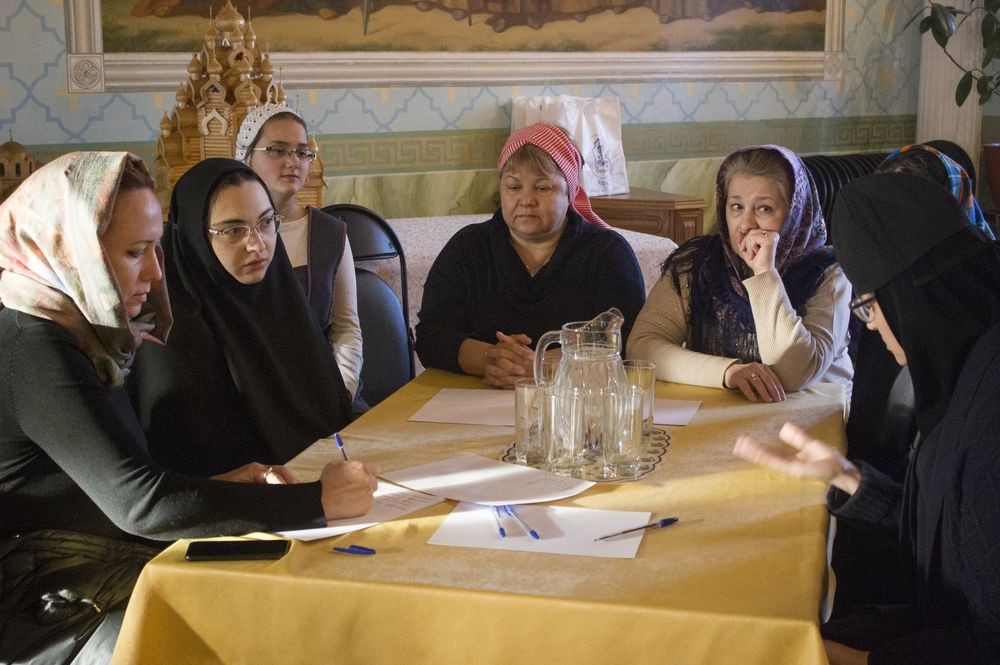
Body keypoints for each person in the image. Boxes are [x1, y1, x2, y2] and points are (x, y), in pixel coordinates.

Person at [0, 152, 377, 663]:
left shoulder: (81, 331)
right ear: (69, 251)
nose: (156, 273)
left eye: (156, 249)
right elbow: (140, 504)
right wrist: (317, 501)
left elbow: (113, 482)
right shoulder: (35, 344)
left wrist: (218, 484)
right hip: (43, 594)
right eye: (134, 252)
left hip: (93, 554)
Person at [734, 173, 1000, 664]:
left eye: (871, 306)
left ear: (912, 298)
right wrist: (850, 478)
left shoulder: (988, 422)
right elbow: (952, 536)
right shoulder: (964, 376)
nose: (872, 326)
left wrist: (852, 661)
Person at [128, 158, 355, 477]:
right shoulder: (170, 333)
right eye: (233, 230)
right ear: (195, 235)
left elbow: (330, 417)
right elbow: (190, 465)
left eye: (266, 222)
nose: (257, 245)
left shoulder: (281, 300)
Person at [414, 122, 645, 389]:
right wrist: (491, 359)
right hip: (477, 394)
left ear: (569, 192)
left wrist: (542, 365)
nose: (526, 200)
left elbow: (629, 339)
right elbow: (432, 335)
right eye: (513, 187)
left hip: (576, 397)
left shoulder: (606, 252)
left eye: (543, 188)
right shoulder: (468, 248)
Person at [627, 145, 852, 403]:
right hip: (725, 414)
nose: (745, 224)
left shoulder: (828, 272)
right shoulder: (698, 263)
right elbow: (642, 347)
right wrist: (728, 372)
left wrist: (764, 273)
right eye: (736, 206)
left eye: (764, 209)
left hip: (812, 419)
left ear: (795, 211)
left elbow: (793, 375)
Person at [235, 103, 365, 409]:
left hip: (322, 389)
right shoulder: (230, 233)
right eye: (278, 150)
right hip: (252, 398)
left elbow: (345, 329)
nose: (293, 161)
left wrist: (342, 392)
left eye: (302, 152)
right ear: (246, 156)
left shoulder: (331, 233)